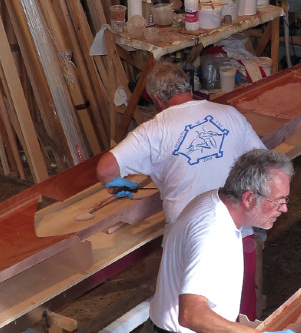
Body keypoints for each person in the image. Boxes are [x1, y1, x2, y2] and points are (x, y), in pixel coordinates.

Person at [142, 149, 301, 333]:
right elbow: (191, 314)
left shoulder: (217, 200)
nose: (285, 209)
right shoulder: (212, 234)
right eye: (279, 201)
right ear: (248, 198)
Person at [95, 59, 264, 229]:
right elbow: (263, 161)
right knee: (251, 240)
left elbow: (105, 169)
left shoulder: (151, 131)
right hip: (235, 223)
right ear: (190, 89)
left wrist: (115, 184)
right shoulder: (229, 113)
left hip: (188, 231)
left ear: (158, 101)